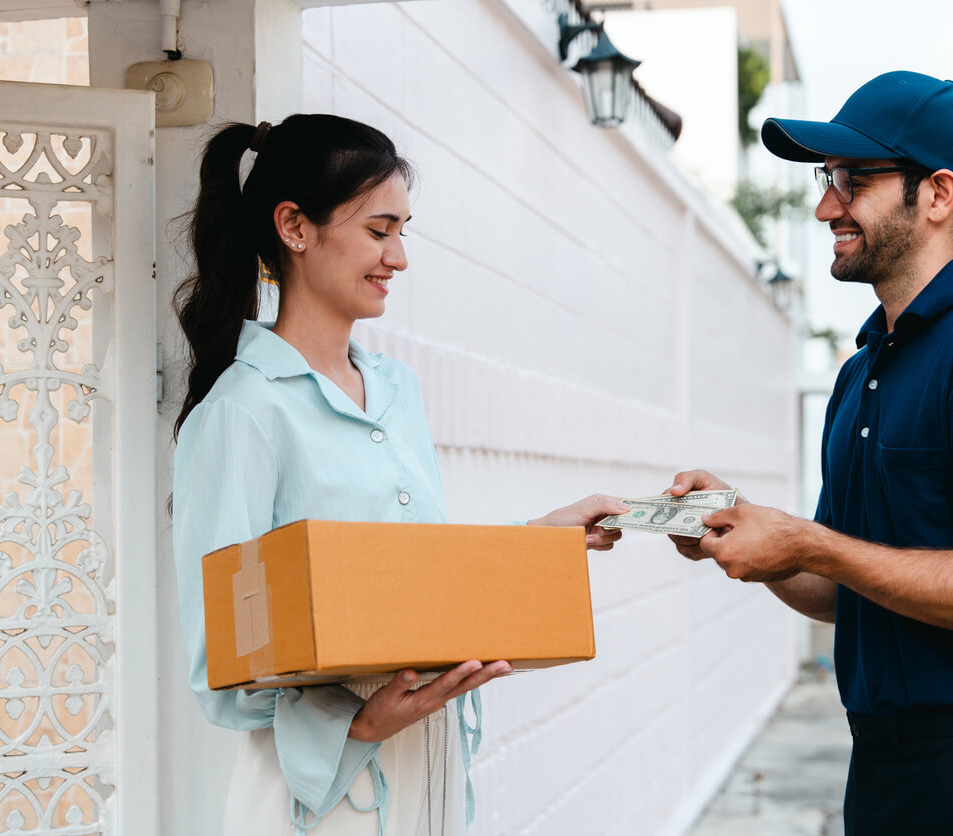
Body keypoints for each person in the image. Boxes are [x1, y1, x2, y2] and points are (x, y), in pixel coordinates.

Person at [666, 71, 953, 835]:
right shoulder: (866, 367)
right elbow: (844, 589)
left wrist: (810, 541)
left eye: (853, 179)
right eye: (826, 178)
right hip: (882, 771)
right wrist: (740, 534)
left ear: (938, 195)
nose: (825, 205)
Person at [171, 114, 627, 836]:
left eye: (403, 231)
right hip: (318, 796)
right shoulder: (244, 413)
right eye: (380, 231)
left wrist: (542, 541)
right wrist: (356, 722)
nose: (400, 257)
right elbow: (219, 670)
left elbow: (409, 575)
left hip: (425, 760)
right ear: (294, 227)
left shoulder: (396, 389)